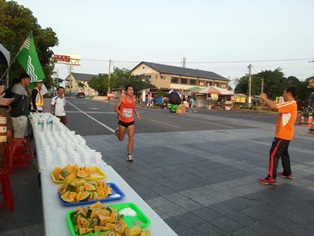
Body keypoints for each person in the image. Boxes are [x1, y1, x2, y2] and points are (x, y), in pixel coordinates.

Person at [259, 85, 298, 186]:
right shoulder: (290, 104)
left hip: (282, 135)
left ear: (289, 93)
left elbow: (273, 106)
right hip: (287, 135)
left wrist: (264, 98)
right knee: (284, 153)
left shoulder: (290, 104)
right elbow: (274, 105)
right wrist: (266, 99)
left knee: (274, 154)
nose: (283, 94)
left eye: (284, 92)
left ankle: (271, 178)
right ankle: (287, 173)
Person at [114, 84, 140, 161]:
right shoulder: (122, 99)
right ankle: (117, 132)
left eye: (132, 90)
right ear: (126, 91)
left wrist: (137, 114)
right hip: (122, 121)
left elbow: (133, 108)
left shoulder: (134, 100)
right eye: (129, 90)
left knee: (131, 137)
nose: (131, 91)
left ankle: (129, 155)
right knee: (121, 138)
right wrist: (122, 114)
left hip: (130, 121)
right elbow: (115, 108)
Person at [10, 73, 31, 138]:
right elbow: (13, 102)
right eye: (27, 80)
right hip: (18, 116)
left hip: (21, 115)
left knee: (21, 136)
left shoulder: (23, 88)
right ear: (22, 80)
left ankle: (19, 147)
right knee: (18, 136)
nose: (29, 81)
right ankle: (17, 148)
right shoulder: (18, 88)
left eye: (29, 80)